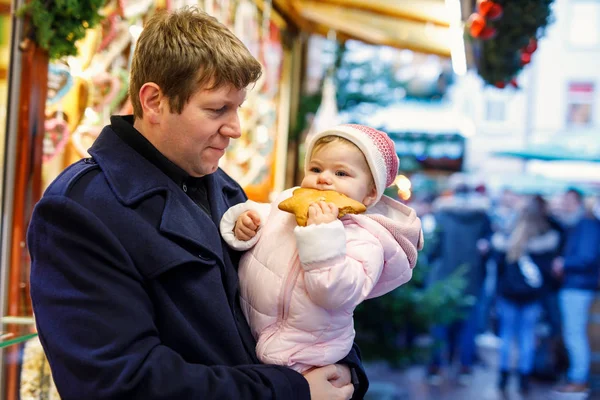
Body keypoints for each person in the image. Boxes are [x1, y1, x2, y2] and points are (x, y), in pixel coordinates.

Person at [26, 8, 368, 400]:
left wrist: (344, 368)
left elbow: (293, 296)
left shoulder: (223, 187)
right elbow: (117, 383)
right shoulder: (80, 210)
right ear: (153, 101)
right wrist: (291, 391)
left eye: (237, 108)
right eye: (217, 109)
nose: (236, 128)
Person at [219, 124, 423, 373]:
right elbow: (261, 216)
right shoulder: (289, 202)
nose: (324, 178)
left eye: (341, 174)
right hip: (248, 330)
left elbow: (334, 293)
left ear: (370, 195)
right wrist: (244, 225)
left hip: (307, 355)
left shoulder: (366, 241)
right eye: (316, 168)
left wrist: (323, 233)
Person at [425, 175, 492, 385]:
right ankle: (464, 367)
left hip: (442, 280)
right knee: (468, 326)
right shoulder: (483, 217)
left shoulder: (442, 215)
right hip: (471, 279)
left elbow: (433, 249)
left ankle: (435, 368)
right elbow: (488, 249)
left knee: (439, 325)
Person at [491, 195, 561, 394]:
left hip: (508, 295)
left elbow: (498, 268)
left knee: (506, 336)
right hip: (533, 297)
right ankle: (524, 379)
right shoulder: (548, 240)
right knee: (527, 337)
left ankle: (503, 377)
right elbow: (549, 274)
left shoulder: (506, 240)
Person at [552, 188, 600, 394]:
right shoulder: (578, 225)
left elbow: (587, 257)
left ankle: (579, 379)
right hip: (577, 285)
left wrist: (564, 263)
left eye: (568, 201)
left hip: (579, 286)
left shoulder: (586, 225)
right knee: (574, 332)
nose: (564, 205)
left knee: (575, 333)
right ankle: (577, 378)